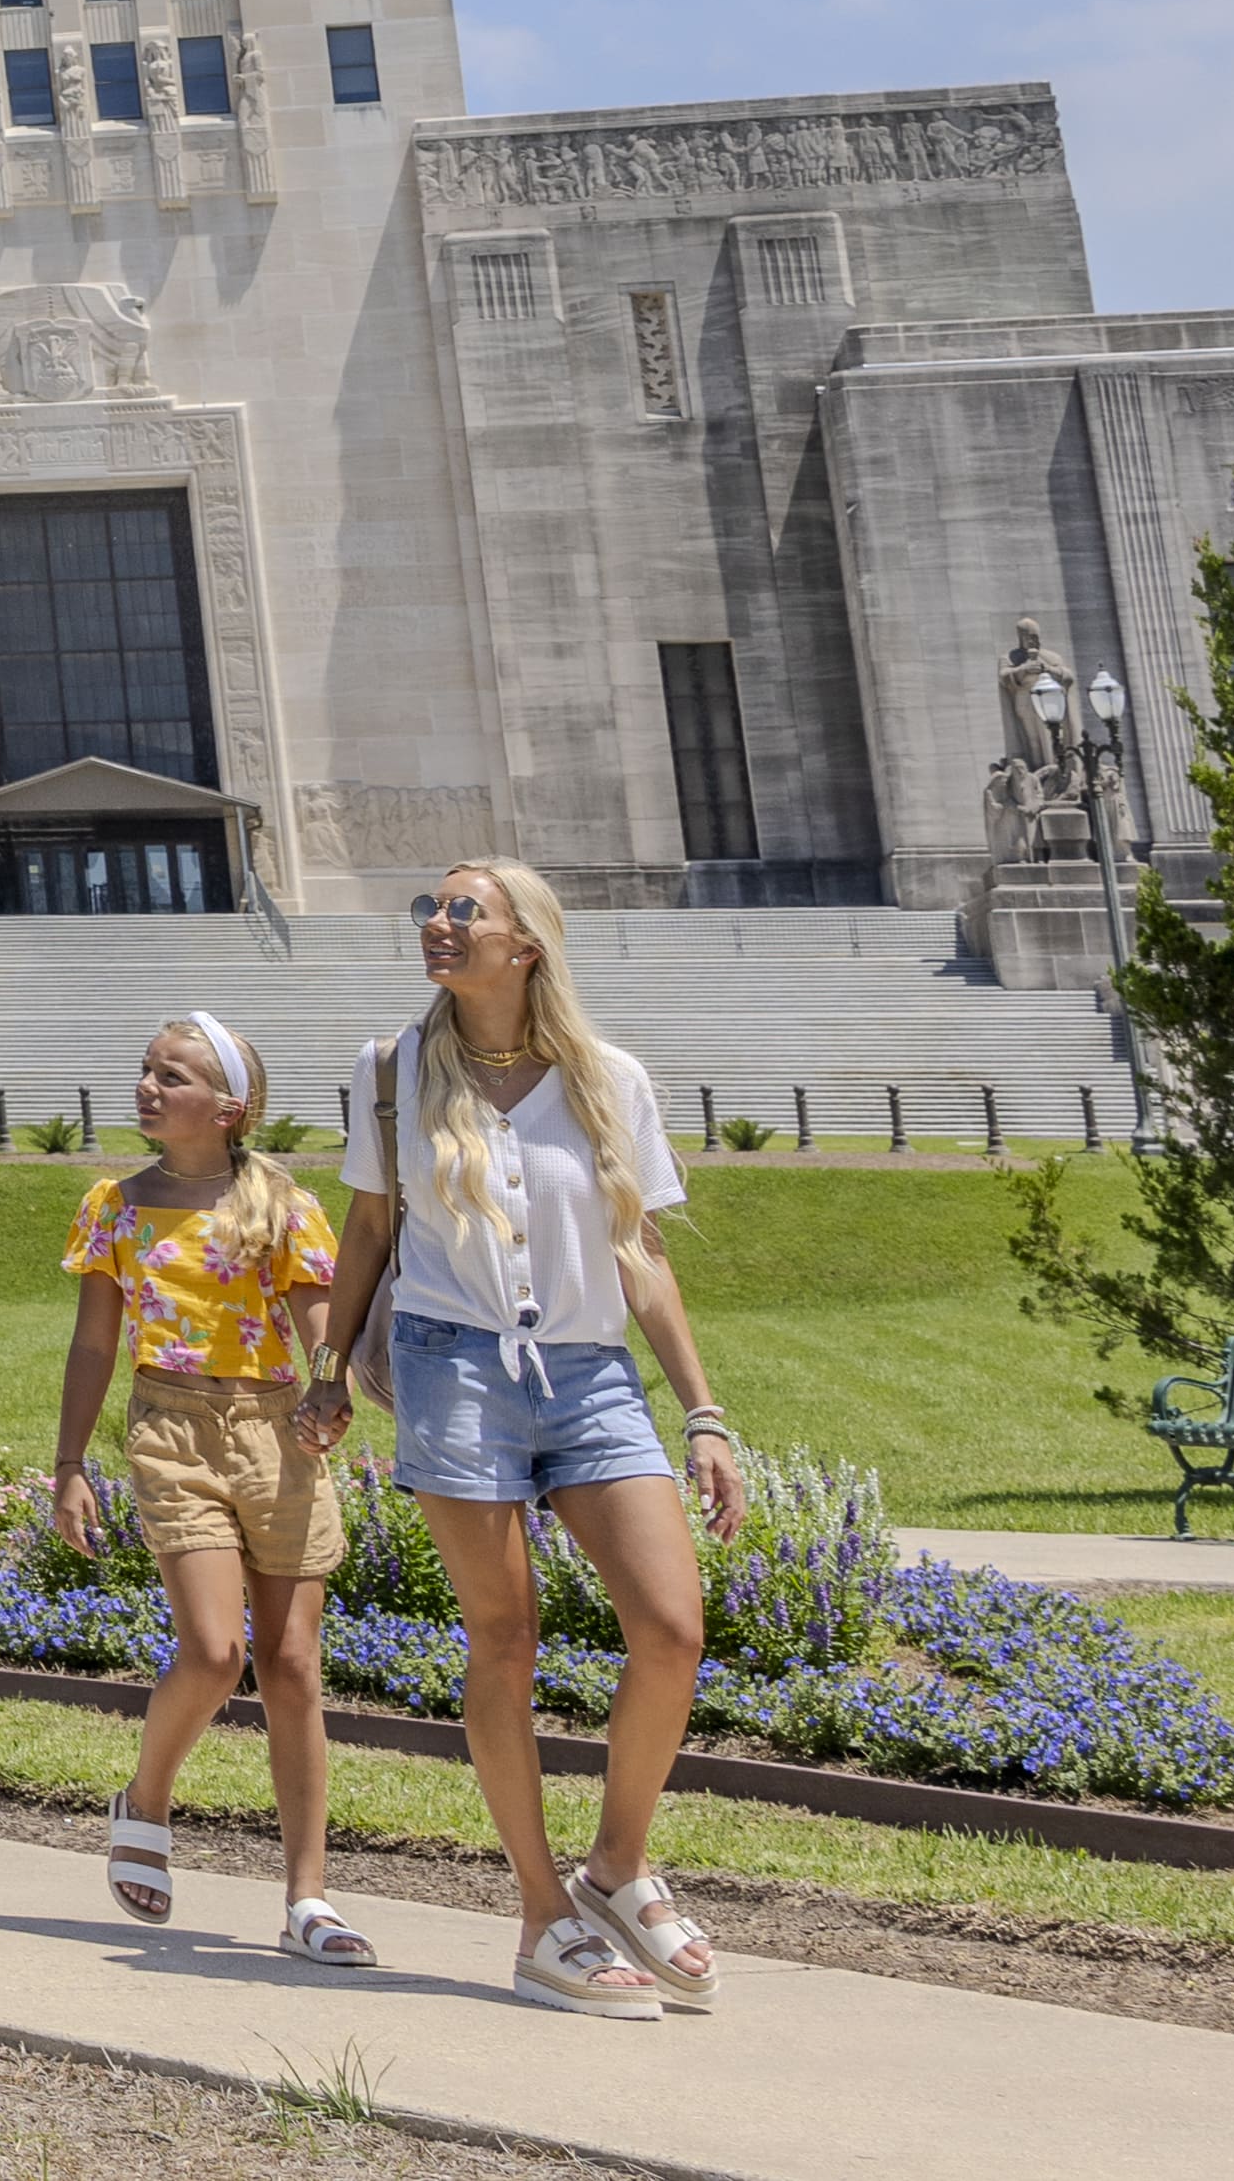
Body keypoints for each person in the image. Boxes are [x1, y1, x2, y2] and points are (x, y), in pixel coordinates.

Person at [305, 858, 749, 2020]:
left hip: (590, 1375)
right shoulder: (391, 1072)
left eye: (464, 911)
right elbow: (364, 1223)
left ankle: (615, 1869)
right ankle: (539, 1914)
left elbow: (639, 1253)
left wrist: (699, 1410)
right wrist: (327, 1367)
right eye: (429, 909)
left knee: (668, 1626)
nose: (436, 925)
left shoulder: (607, 1080)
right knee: (502, 1639)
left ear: (524, 945)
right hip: (453, 1371)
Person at [45, 1011, 364, 1967]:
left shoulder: (282, 1203)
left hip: (277, 1434)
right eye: (145, 1070)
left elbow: (321, 1325)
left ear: (229, 1108)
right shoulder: (116, 1204)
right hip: (172, 1429)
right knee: (217, 1651)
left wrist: (331, 1384)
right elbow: (95, 1341)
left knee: (295, 1665)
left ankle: (308, 1896)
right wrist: (67, 1466)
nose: (148, 1086)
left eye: (171, 1076)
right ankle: (146, 1800)